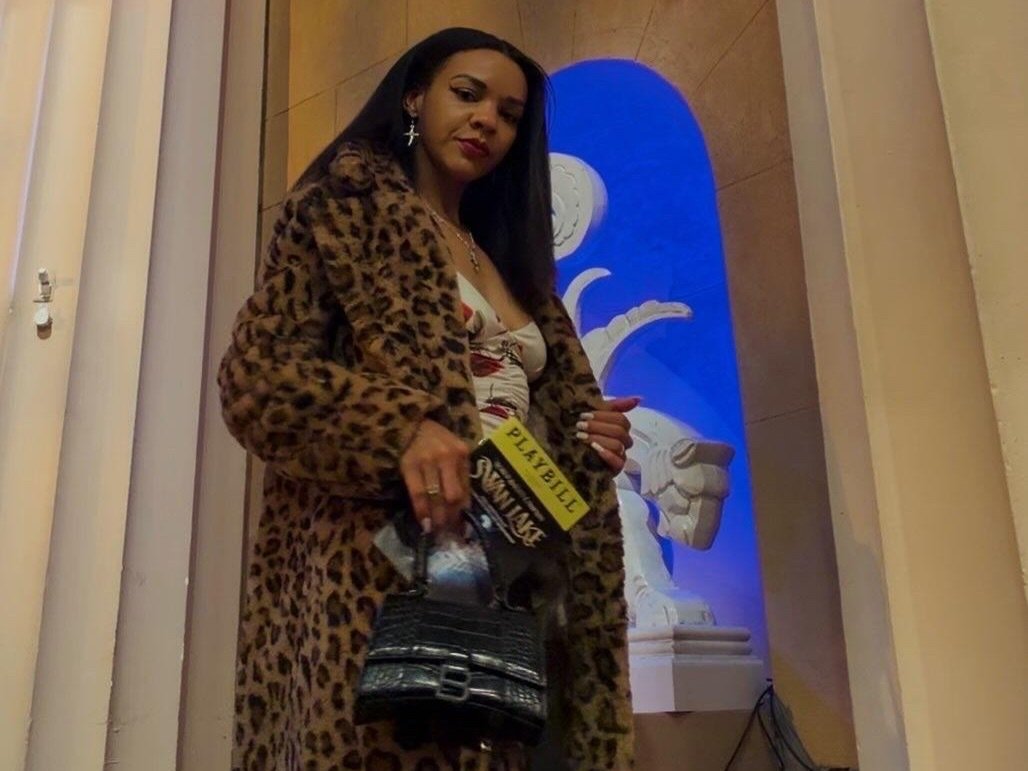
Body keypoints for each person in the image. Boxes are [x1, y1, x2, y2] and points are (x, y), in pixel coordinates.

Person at [219, 27, 637, 770]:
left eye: (509, 115)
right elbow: (255, 377)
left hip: (514, 583)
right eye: (467, 95)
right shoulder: (343, 212)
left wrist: (586, 439)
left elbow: (528, 422)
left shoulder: (510, 258)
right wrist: (399, 428)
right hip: (380, 585)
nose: (487, 122)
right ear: (415, 98)